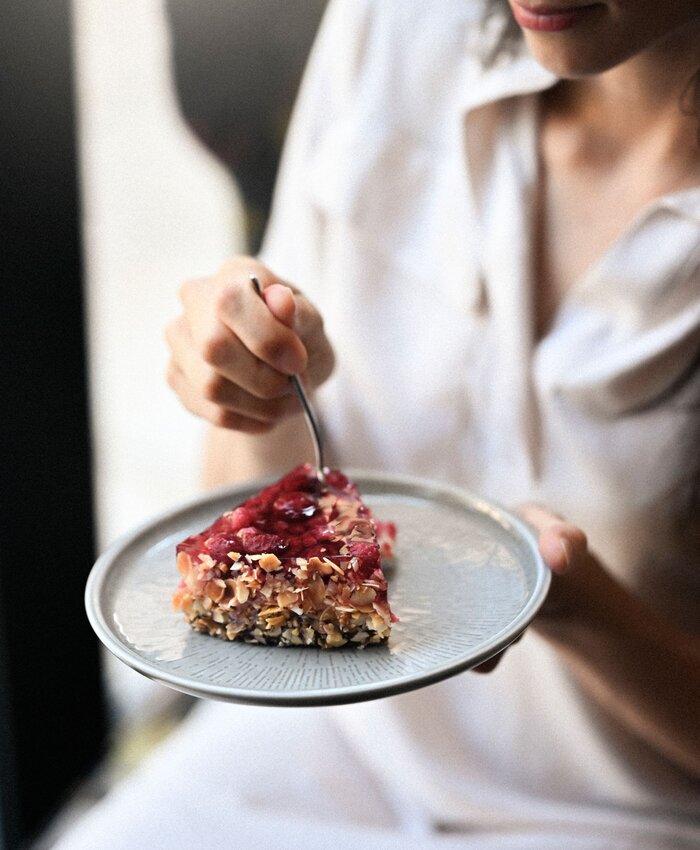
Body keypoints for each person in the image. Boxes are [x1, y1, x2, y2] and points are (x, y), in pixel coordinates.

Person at [57, 1, 700, 848]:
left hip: (617, 817)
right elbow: (234, 495)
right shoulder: (398, 25)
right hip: (333, 735)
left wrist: (585, 612)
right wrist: (259, 385)